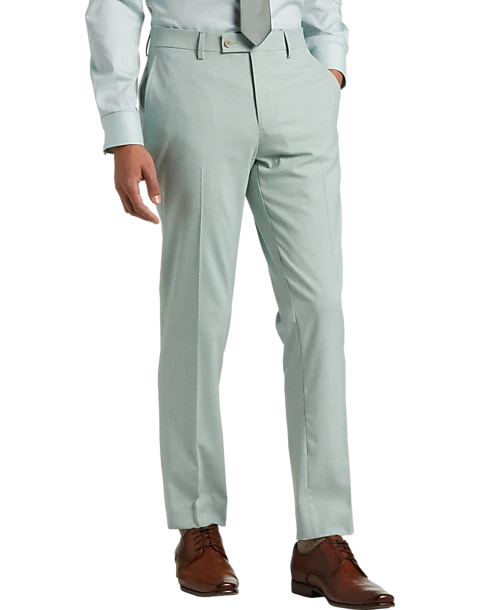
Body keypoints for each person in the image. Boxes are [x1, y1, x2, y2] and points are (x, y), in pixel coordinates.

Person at [85, 1, 394, 607]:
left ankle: (323, 536)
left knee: (319, 309)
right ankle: (197, 527)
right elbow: (115, 2)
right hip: (192, 71)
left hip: (294, 72)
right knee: (196, 307)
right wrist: (121, 127)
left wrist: (329, 62)